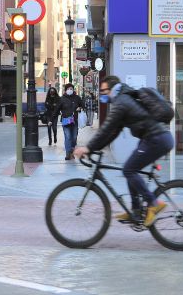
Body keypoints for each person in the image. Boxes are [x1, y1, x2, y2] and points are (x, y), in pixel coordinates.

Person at [73, 76, 174, 228]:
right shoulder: (122, 100)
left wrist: (88, 148)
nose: (102, 94)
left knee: (129, 169)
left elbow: (107, 127)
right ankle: (136, 210)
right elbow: (112, 132)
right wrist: (95, 148)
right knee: (130, 169)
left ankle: (154, 203)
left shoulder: (121, 103)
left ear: (112, 89)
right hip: (154, 138)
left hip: (156, 139)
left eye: (103, 91)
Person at [54, 83, 82, 160]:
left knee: (74, 137)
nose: (70, 90)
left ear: (73, 90)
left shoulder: (77, 98)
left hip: (74, 121)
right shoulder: (61, 99)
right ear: (65, 90)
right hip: (66, 120)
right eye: (68, 89)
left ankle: (72, 151)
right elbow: (56, 109)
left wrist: (79, 108)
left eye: (71, 89)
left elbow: (83, 105)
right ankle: (68, 153)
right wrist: (51, 120)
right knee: (68, 137)